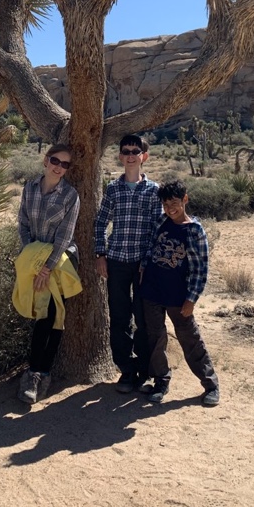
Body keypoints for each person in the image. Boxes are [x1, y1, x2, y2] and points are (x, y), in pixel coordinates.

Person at [139, 180, 220, 407]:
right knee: (155, 336)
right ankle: (160, 381)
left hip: (179, 295)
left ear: (185, 199)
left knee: (189, 338)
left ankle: (211, 384)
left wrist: (192, 298)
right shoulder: (161, 221)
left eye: (174, 203)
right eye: (166, 204)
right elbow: (151, 246)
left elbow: (200, 268)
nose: (170, 209)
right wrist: (143, 267)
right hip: (152, 290)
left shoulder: (194, 231)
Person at [95, 134, 162, 393]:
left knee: (143, 318)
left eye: (136, 151)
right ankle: (126, 369)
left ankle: (145, 370)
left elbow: (157, 229)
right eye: (126, 151)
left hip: (142, 265)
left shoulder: (154, 190)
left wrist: (148, 261)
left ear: (144, 156)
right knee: (119, 317)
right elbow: (101, 223)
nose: (131, 155)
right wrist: (101, 254)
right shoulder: (113, 188)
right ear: (121, 157)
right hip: (117, 262)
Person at [15, 144, 81, 405]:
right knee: (39, 313)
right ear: (46, 160)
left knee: (52, 315)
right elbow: (22, 223)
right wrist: (32, 257)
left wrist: (46, 266)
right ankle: (37, 370)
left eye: (65, 164)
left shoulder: (70, 195)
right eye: (55, 161)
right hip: (33, 258)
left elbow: (65, 235)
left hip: (59, 261)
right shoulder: (29, 189)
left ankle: (38, 373)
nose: (59, 167)